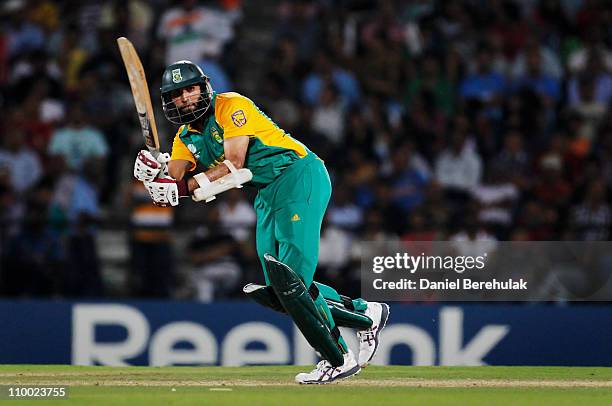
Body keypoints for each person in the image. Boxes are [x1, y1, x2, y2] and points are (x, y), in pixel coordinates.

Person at [132, 60, 389, 384]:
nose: (185, 98)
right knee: (279, 289)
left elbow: (234, 164)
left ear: (204, 87)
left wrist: (179, 188)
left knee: (292, 281)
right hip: (267, 194)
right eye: (177, 94)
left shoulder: (232, 106)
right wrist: (152, 175)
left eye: (190, 89)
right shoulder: (184, 137)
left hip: (298, 176)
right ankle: (366, 314)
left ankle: (337, 358)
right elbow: (175, 181)